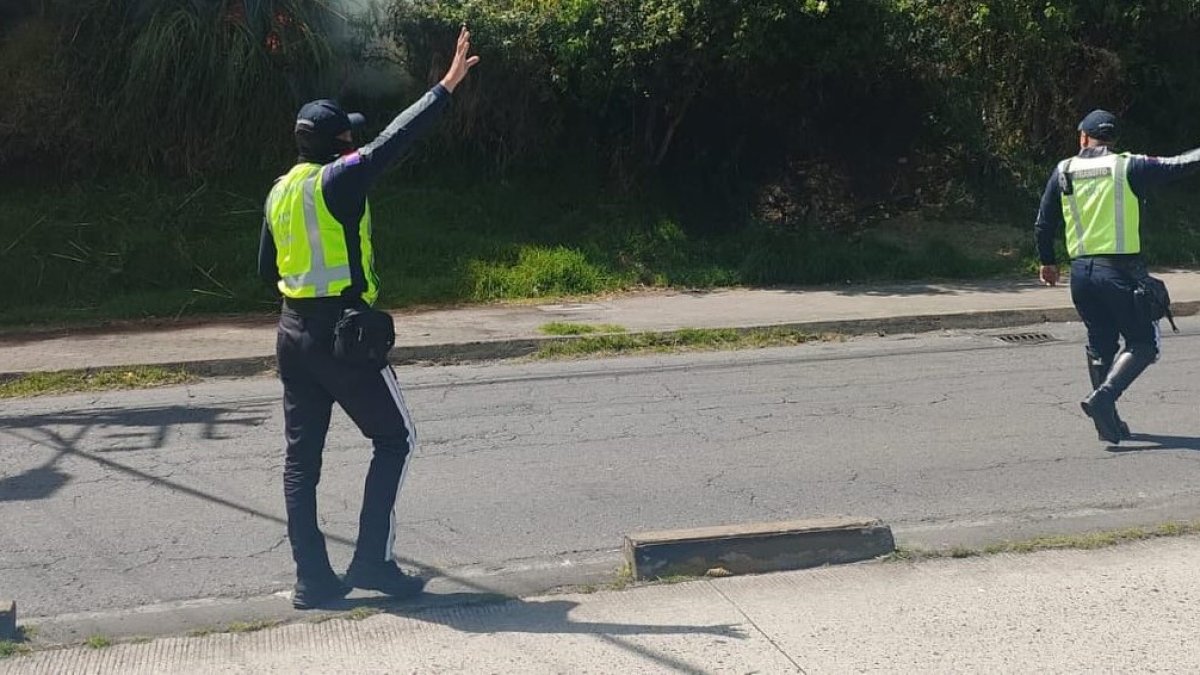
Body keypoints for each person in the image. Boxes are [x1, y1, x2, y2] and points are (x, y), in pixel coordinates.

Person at [258, 27, 480, 609]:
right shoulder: (341, 177)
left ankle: (314, 582)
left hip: (291, 332)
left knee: (301, 463)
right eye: (347, 134)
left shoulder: (280, 190)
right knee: (395, 437)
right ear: (337, 144)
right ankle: (372, 562)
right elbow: (394, 140)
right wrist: (446, 87)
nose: (355, 139)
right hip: (343, 336)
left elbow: (265, 268)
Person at [1035, 109, 1200, 444]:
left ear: (1083, 137)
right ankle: (1104, 399)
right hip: (1120, 272)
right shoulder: (1127, 166)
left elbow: (1043, 222)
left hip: (1081, 274)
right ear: (1112, 139)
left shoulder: (1064, 169)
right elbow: (1179, 165)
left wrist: (1047, 262)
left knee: (1100, 345)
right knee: (1144, 344)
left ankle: (1106, 422)